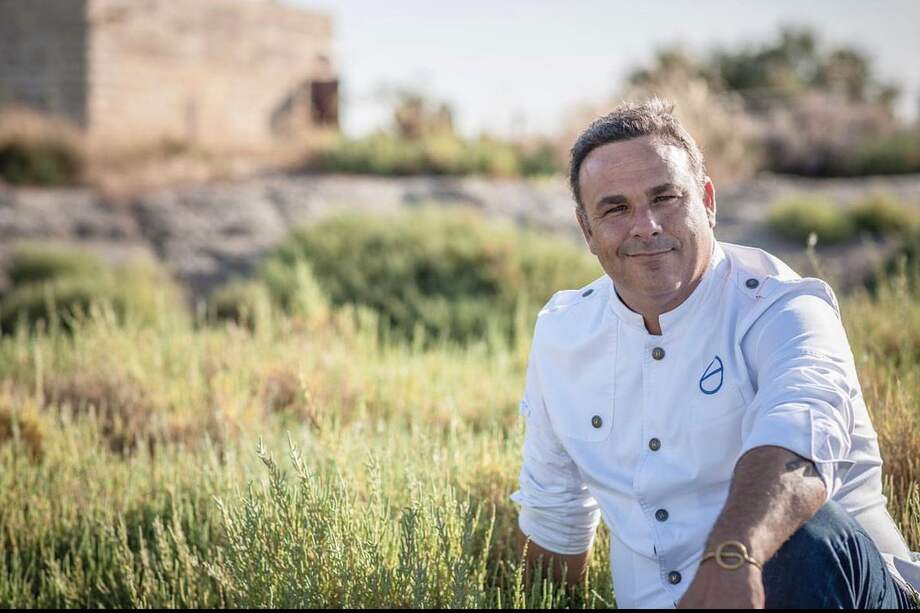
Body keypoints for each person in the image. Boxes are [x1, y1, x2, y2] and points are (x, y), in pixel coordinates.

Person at [510, 98, 920, 609]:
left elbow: (797, 442)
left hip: (847, 589)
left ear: (707, 200)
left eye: (665, 198)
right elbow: (556, 518)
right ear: (587, 230)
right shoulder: (563, 334)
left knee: (808, 534)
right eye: (615, 208)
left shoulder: (785, 308)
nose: (646, 226)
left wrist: (733, 558)